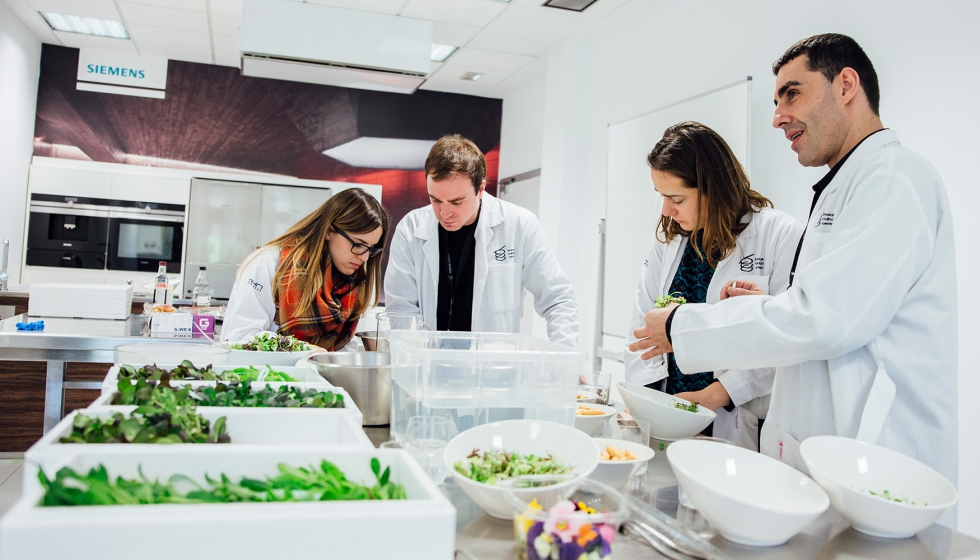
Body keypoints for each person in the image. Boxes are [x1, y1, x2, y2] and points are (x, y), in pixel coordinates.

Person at [629, 34, 958, 502]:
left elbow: (822, 319)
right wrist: (768, 307)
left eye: (793, 93)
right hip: (826, 457)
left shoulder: (894, 180)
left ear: (846, 85)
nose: (778, 116)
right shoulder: (845, 188)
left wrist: (682, 324)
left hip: (877, 461)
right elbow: (825, 309)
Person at [624, 121, 803, 449]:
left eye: (676, 197)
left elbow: (788, 342)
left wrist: (716, 396)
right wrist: (647, 405)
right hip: (668, 416)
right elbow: (642, 324)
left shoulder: (779, 236)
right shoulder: (670, 241)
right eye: (662, 197)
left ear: (713, 187)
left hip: (734, 419)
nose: (666, 209)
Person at [385, 134, 579, 346]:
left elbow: (557, 299)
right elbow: (400, 311)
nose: (444, 213)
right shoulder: (411, 229)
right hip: (427, 366)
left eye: (456, 202)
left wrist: (565, 355)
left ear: (480, 189)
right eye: (435, 200)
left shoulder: (519, 225)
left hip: (492, 369)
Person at [222, 188, 390, 351]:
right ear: (329, 231)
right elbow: (239, 337)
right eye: (358, 244)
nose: (365, 257)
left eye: (372, 248)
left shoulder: (351, 284)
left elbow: (344, 347)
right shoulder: (268, 262)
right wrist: (305, 350)